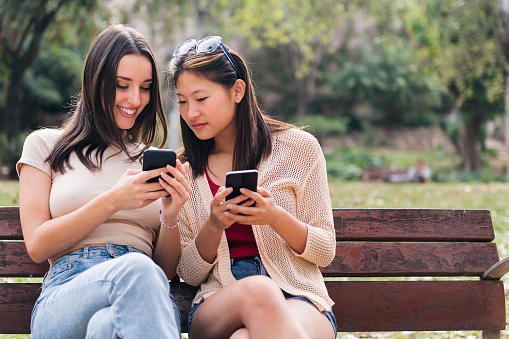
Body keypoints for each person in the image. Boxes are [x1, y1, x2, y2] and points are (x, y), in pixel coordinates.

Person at [17, 24, 190, 338]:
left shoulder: (152, 160)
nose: (135, 99)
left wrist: (171, 216)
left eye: (145, 87)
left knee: (106, 328)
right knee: (137, 271)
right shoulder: (45, 146)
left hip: (139, 295)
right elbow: (38, 245)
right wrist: (114, 200)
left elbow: (162, 272)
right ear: (96, 82)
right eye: (122, 85)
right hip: (67, 294)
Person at [169, 36, 337, 339]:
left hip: (297, 297)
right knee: (258, 291)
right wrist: (214, 224)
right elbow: (189, 273)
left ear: (237, 90)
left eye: (201, 98)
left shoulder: (299, 149)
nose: (190, 112)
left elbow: (324, 250)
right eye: (182, 101)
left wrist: (275, 217)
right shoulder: (185, 171)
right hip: (218, 302)